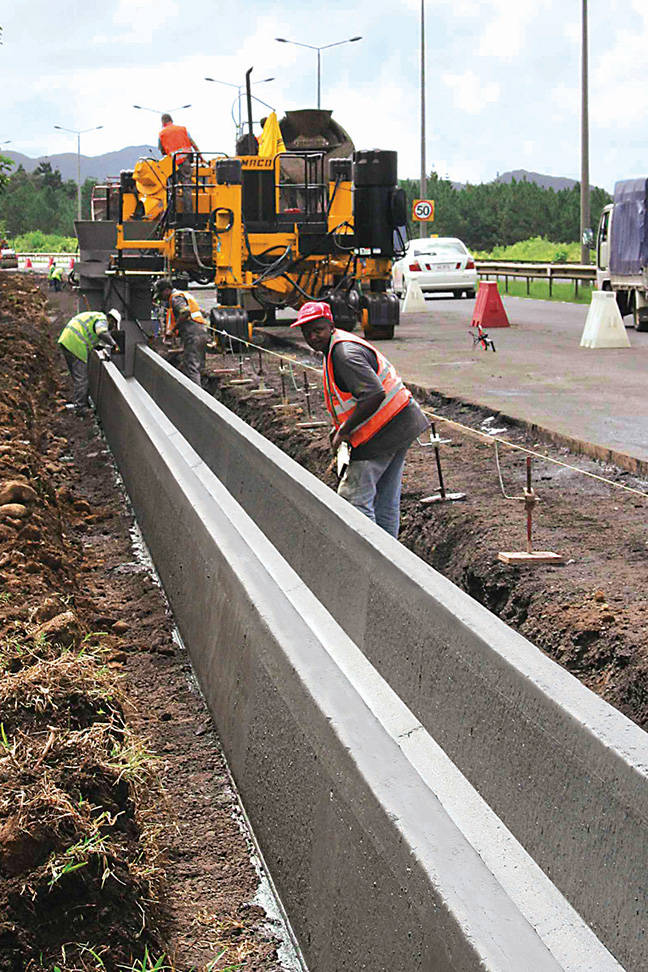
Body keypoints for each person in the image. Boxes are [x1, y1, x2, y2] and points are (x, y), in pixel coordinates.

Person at [292, 301, 428, 537]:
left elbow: (374, 394)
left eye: (318, 330)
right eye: (307, 332)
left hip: (380, 433)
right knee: (385, 499)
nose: (313, 336)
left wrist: (345, 429)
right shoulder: (337, 345)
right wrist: (340, 428)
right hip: (401, 423)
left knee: (354, 499)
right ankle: (391, 561)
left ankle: (367, 561)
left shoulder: (344, 354)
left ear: (331, 326)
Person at [58, 309, 120, 410]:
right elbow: (101, 333)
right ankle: (81, 407)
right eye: (113, 326)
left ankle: (82, 401)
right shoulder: (102, 319)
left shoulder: (95, 317)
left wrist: (98, 347)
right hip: (76, 344)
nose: (111, 329)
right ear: (112, 321)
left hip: (66, 340)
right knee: (82, 379)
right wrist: (114, 344)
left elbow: (91, 336)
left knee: (77, 376)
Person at [153, 278, 208, 386]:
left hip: (193, 334)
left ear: (167, 290)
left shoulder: (175, 298)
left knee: (191, 367)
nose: (162, 298)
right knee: (199, 366)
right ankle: (203, 393)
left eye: (161, 294)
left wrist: (173, 329)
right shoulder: (184, 294)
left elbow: (185, 312)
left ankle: (196, 396)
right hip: (201, 332)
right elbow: (201, 312)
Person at [158, 113, 201, 214]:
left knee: (174, 188)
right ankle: (188, 214)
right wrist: (200, 156)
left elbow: (162, 150)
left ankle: (174, 213)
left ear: (163, 122)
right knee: (187, 187)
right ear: (171, 120)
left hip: (172, 164)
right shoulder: (182, 129)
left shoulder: (162, 134)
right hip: (185, 160)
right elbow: (192, 142)